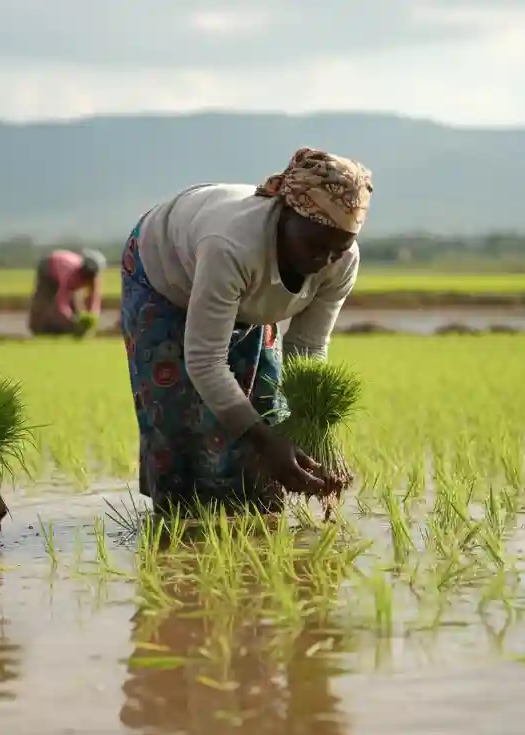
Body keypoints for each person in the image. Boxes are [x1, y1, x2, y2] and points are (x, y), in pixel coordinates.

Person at [120, 147, 373, 515]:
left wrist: (307, 428)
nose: (323, 260)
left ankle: (257, 509)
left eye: (338, 248)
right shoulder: (232, 245)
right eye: (314, 244)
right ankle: (181, 519)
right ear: (285, 213)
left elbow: (307, 347)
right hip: (163, 277)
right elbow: (205, 361)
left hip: (241, 290)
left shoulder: (341, 261)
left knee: (266, 400)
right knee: (180, 414)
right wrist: (266, 442)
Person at [27, 247, 105, 335]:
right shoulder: (70, 273)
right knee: (45, 298)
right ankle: (39, 328)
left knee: (75, 302)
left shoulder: (93, 277)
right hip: (49, 266)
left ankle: (69, 329)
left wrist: (91, 316)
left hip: (64, 267)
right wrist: (71, 319)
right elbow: (62, 300)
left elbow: (94, 298)